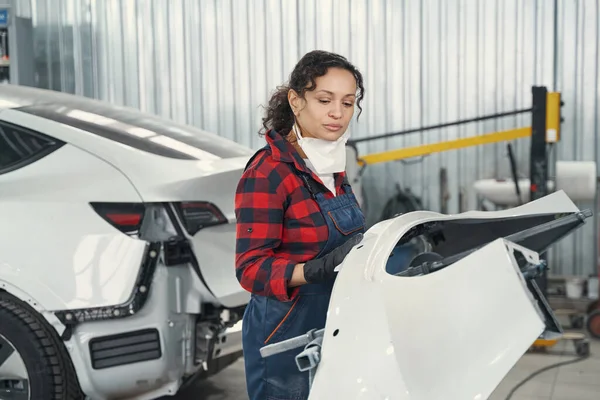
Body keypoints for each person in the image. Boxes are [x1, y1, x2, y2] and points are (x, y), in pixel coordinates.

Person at [234, 50, 366, 400]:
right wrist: (312, 270)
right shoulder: (268, 172)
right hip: (283, 329)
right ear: (296, 100)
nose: (338, 113)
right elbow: (249, 268)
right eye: (324, 100)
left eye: (348, 102)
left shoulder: (330, 163)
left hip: (332, 320)